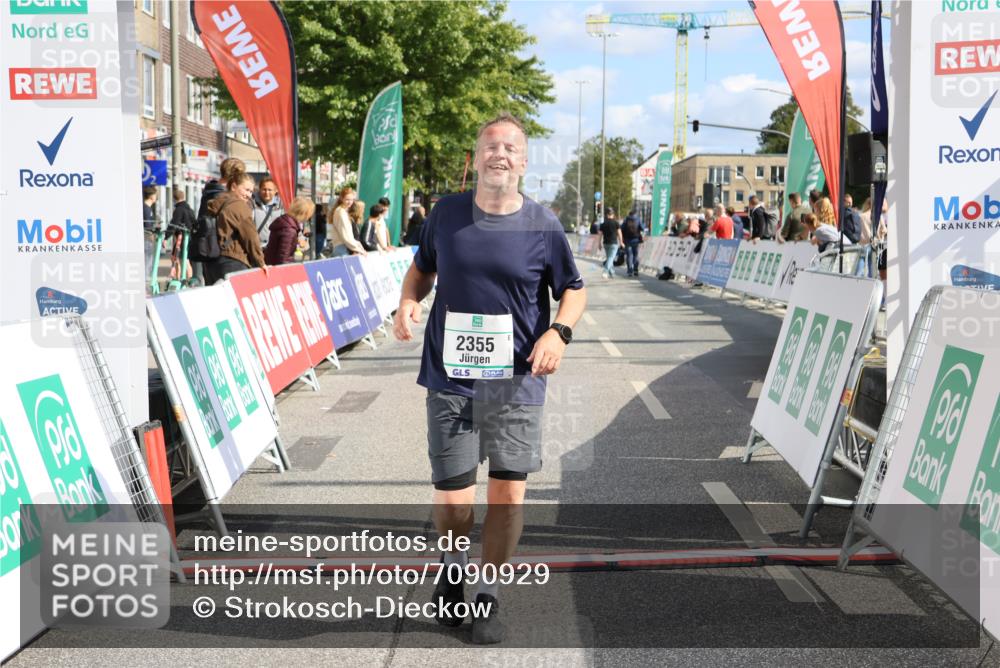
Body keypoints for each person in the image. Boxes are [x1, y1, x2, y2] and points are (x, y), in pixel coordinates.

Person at [393, 113, 586, 645]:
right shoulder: (446, 214)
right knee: (455, 500)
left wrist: (558, 334)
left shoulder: (543, 225)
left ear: (523, 162)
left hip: (517, 383)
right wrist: (408, 301)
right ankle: (453, 573)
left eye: (510, 148)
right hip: (450, 380)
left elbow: (574, 289)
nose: (499, 154)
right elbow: (422, 267)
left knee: (507, 495)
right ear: (475, 159)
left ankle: (488, 596)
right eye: (490, 146)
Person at [204, 170, 267, 285]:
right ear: (233, 186)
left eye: (251, 192)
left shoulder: (217, 202)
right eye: (246, 190)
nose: (249, 195)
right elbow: (251, 237)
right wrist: (260, 262)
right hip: (233, 261)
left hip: (211, 262)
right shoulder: (238, 205)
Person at [195, 157, 246, 284]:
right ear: (237, 175)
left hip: (208, 252)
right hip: (229, 255)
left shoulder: (208, 192)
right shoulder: (228, 196)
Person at [265, 196, 314, 265]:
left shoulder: (285, 222)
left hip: (271, 263)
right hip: (277, 268)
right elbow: (283, 258)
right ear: (304, 214)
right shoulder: (289, 230)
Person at [327, 187, 367, 257]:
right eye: (347, 199)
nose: (350, 202)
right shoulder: (341, 212)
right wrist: (357, 249)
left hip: (343, 247)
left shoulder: (342, 211)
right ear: (342, 199)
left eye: (351, 200)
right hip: (343, 248)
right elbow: (346, 235)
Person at [168, 188, 197, 284]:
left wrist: (166, 236)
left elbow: (174, 224)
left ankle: (178, 280)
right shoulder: (190, 210)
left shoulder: (178, 210)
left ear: (174, 199)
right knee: (186, 260)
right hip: (189, 238)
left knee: (178, 260)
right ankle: (190, 281)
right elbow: (195, 223)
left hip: (180, 238)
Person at [252, 178, 284, 247]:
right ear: (259, 189)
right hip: (256, 246)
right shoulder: (252, 203)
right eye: (264, 189)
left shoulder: (281, 205)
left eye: (270, 190)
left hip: (274, 246)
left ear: (276, 191)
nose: (267, 193)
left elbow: (288, 222)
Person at [142, 186, 159, 289]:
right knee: (148, 258)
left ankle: (147, 279)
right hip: (147, 238)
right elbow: (147, 225)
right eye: (156, 194)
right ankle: (146, 281)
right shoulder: (146, 209)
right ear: (152, 196)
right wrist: (152, 234)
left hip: (148, 237)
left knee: (149, 258)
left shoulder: (147, 208)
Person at [599, 207, 623, 279]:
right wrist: (621, 242)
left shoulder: (603, 224)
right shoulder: (616, 223)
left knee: (609, 258)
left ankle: (611, 272)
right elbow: (619, 233)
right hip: (613, 243)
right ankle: (605, 271)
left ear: (606, 215)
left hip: (605, 243)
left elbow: (600, 235)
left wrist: (599, 243)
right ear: (613, 214)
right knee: (611, 258)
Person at [621, 209, 644, 277]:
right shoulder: (638, 219)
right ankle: (636, 270)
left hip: (627, 240)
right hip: (636, 240)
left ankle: (629, 271)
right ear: (635, 213)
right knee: (635, 255)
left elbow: (621, 229)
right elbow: (642, 228)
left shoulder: (626, 220)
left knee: (629, 255)